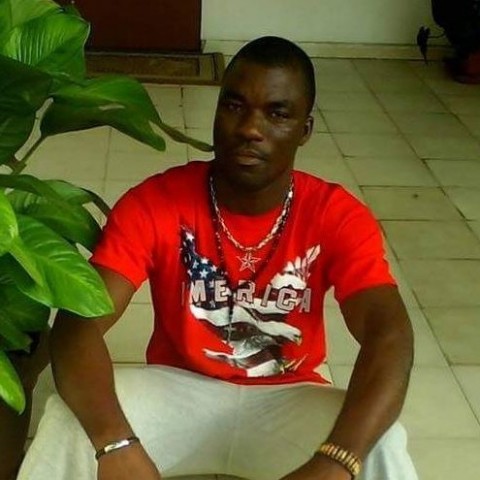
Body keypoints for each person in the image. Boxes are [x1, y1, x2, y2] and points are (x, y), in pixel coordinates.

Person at [17, 36, 418, 480]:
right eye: (234, 106)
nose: (250, 128)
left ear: (304, 129)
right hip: (179, 391)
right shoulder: (155, 202)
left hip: (288, 397)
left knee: (381, 442)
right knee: (68, 422)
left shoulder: (336, 214)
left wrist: (336, 461)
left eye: (277, 113)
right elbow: (79, 323)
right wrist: (115, 441)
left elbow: (389, 334)